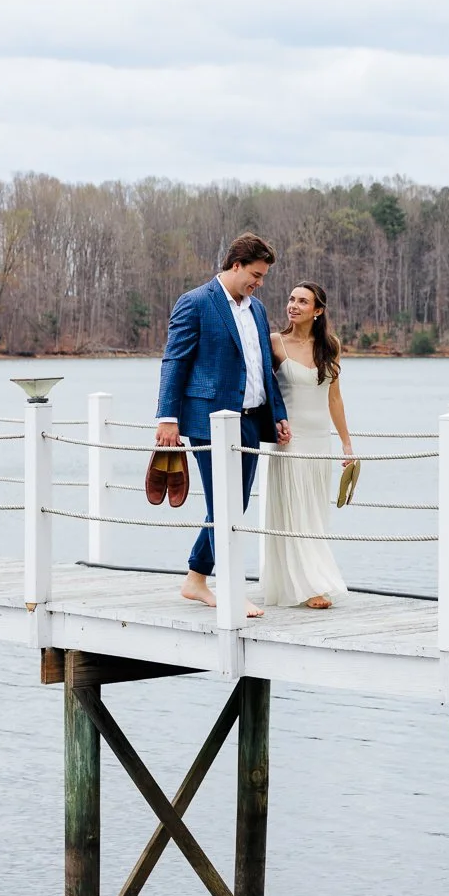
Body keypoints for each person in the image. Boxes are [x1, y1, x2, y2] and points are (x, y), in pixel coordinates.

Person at [155, 233, 290, 612]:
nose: (259, 282)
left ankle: (196, 579)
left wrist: (278, 415)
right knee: (223, 505)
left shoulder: (258, 310)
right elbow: (174, 361)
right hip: (208, 422)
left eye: (262, 277)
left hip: (251, 421)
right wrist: (168, 418)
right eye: (256, 274)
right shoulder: (196, 302)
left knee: (236, 504)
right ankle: (230, 591)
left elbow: (264, 369)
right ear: (236, 265)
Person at [260, 281, 353, 609]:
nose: (293, 305)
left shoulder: (331, 345)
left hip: (319, 441)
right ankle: (311, 585)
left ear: (318, 310)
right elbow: (262, 391)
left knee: (313, 512)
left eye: (302, 301)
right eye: (291, 299)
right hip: (290, 439)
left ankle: (305, 580)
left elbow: (335, 397)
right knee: (295, 512)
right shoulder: (274, 343)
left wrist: (346, 443)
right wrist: (271, 425)